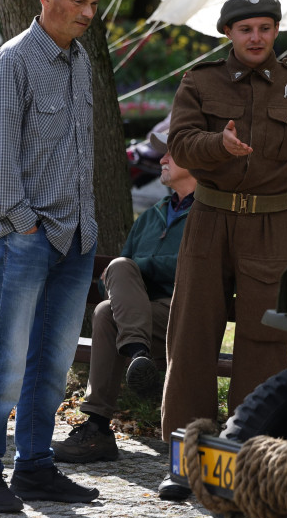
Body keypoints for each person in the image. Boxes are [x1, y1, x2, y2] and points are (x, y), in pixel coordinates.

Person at [157, 0, 287, 500]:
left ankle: (251, 465)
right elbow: (181, 145)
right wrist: (219, 146)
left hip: (269, 229)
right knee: (192, 338)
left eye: (265, 28)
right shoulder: (200, 81)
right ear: (227, 34)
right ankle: (185, 463)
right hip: (208, 220)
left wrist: (270, 196)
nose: (256, 37)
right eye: (245, 29)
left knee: (265, 342)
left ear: (276, 31)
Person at [0, 0, 101, 513]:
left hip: (78, 237)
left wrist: (82, 225)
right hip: (26, 236)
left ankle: (35, 468)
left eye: (93, 3)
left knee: (53, 360)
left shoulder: (81, 60)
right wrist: (27, 225)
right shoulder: (12, 61)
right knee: (9, 356)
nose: (89, 13)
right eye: (79, 2)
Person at [53, 131, 196, 463]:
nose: (160, 160)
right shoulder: (151, 215)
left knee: (120, 276)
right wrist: (127, 275)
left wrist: (138, 269)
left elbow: (190, 270)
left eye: (169, 155)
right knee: (105, 310)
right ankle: (100, 426)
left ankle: (134, 355)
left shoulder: (207, 216)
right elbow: (112, 281)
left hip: (178, 314)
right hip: (139, 316)